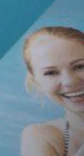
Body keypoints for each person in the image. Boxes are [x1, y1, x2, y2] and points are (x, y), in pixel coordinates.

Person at [21, 26, 84, 156]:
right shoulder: (41, 136)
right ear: (36, 81)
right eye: (51, 73)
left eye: (80, 66)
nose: (69, 81)